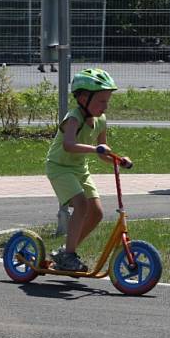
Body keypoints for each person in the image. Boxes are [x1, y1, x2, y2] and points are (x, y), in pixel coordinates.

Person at [45, 68, 129, 272]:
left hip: (79, 168)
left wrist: (117, 160)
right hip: (59, 167)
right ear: (83, 98)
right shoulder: (73, 117)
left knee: (97, 212)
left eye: (107, 100)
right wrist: (94, 149)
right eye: (101, 100)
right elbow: (68, 145)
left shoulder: (101, 120)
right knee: (81, 206)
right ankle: (69, 255)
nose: (105, 105)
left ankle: (66, 251)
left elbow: (102, 152)